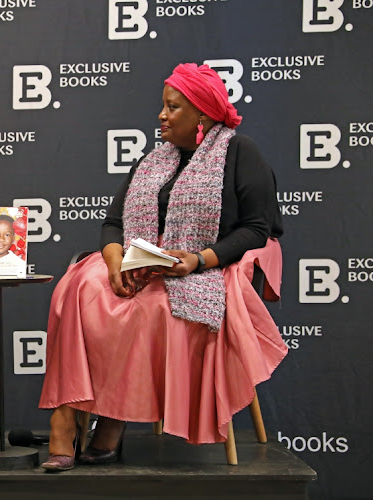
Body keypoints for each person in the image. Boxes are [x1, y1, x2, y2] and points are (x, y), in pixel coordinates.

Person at [38, 63, 287, 471]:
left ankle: (109, 424)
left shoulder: (240, 152)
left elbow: (257, 229)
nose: (161, 115)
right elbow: (114, 223)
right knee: (81, 287)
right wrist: (115, 261)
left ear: (202, 115)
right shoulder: (154, 160)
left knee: (148, 308)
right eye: (163, 106)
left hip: (205, 267)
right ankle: (65, 415)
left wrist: (199, 260)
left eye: (172, 107)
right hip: (145, 263)